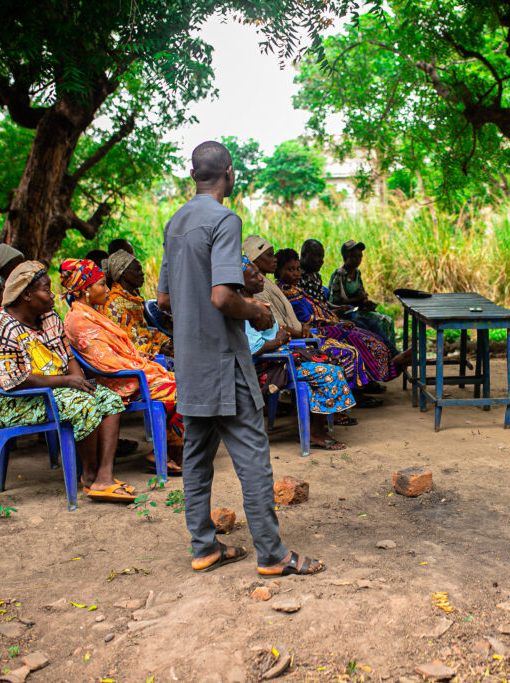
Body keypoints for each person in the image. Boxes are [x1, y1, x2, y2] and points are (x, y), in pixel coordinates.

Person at [158, 140, 323, 576]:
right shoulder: (225, 220)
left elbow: (163, 300)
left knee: (196, 457)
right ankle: (272, 554)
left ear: (194, 174)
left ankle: (204, 547)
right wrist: (256, 310)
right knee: (252, 456)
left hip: (190, 361)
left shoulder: (174, 223)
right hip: (226, 360)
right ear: (229, 173)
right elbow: (222, 297)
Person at [0, 261, 133, 502]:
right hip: (14, 401)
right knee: (83, 405)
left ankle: (104, 476)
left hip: (56, 389)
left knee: (110, 399)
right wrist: (67, 382)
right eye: (45, 289)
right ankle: (89, 475)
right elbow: (15, 381)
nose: (52, 295)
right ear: (27, 294)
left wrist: (78, 379)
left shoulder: (49, 316)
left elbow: (69, 356)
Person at [61, 258, 183, 475]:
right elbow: (106, 363)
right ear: (85, 290)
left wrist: (144, 361)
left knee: (186, 385)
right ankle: (169, 451)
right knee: (185, 391)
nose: (106, 289)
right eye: (100, 285)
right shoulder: (79, 320)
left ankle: (166, 451)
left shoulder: (91, 313)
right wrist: (143, 366)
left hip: (130, 374)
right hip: (118, 382)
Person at [245, 236, 370, 415]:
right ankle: (325, 417)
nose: (274, 260)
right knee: (341, 355)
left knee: (343, 346)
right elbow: (273, 334)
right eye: (270, 256)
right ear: (254, 260)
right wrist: (299, 334)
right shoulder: (255, 294)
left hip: (293, 340)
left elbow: (285, 323)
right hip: (282, 351)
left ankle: (330, 413)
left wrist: (302, 328)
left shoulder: (266, 284)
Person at [242, 257, 354, 450]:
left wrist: (282, 337)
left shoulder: (256, 303)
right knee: (327, 373)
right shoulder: (244, 310)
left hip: (282, 358)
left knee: (331, 359)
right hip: (269, 365)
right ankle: (315, 432)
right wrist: (279, 339)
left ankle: (316, 424)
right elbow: (254, 349)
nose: (262, 279)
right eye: (255, 276)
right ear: (241, 282)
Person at [278, 248, 409, 393]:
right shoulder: (286, 292)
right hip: (316, 331)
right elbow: (306, 319)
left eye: (297, 269)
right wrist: (336, 322)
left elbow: (322, 306)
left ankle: (383, 369)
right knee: (359, 340)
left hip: (326, 323)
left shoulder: (294, 288)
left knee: (368, 332)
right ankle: (380, 373)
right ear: (279, 270)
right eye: (291, 270)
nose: (296, 273)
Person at [299, 238, 391, 347]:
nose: (322, 261)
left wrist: (341, 308)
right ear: (304, 255)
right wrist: (336, 311)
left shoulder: (316, 276)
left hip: (332, 316)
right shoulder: (298, 278)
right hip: (322, 323)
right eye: (317, 256)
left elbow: (324, 302)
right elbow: (310, 311)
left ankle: (392, 354)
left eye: (322, 257)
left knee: (373, 324)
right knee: (361, 327)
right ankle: (387, 357)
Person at [328, 240, 398, 351]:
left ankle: (391, 352)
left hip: (358, 310)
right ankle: (386, 353)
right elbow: (334, 302)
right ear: (346, 256)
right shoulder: (340, 274)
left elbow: (362, 294)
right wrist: (358, 299)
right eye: (355, 256)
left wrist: (365, 302)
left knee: (387, 320)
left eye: (360, 256)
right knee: (377, 323)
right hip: (346, 314)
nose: (358, 259)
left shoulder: (357, 273)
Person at [103, 250, 173, 359]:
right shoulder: (115, 304)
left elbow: (143, 331)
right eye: (137, 269)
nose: (142, 273)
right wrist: (158, 350)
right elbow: (127, 343)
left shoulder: (131, 298)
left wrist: (164, 343)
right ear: (124, 274)